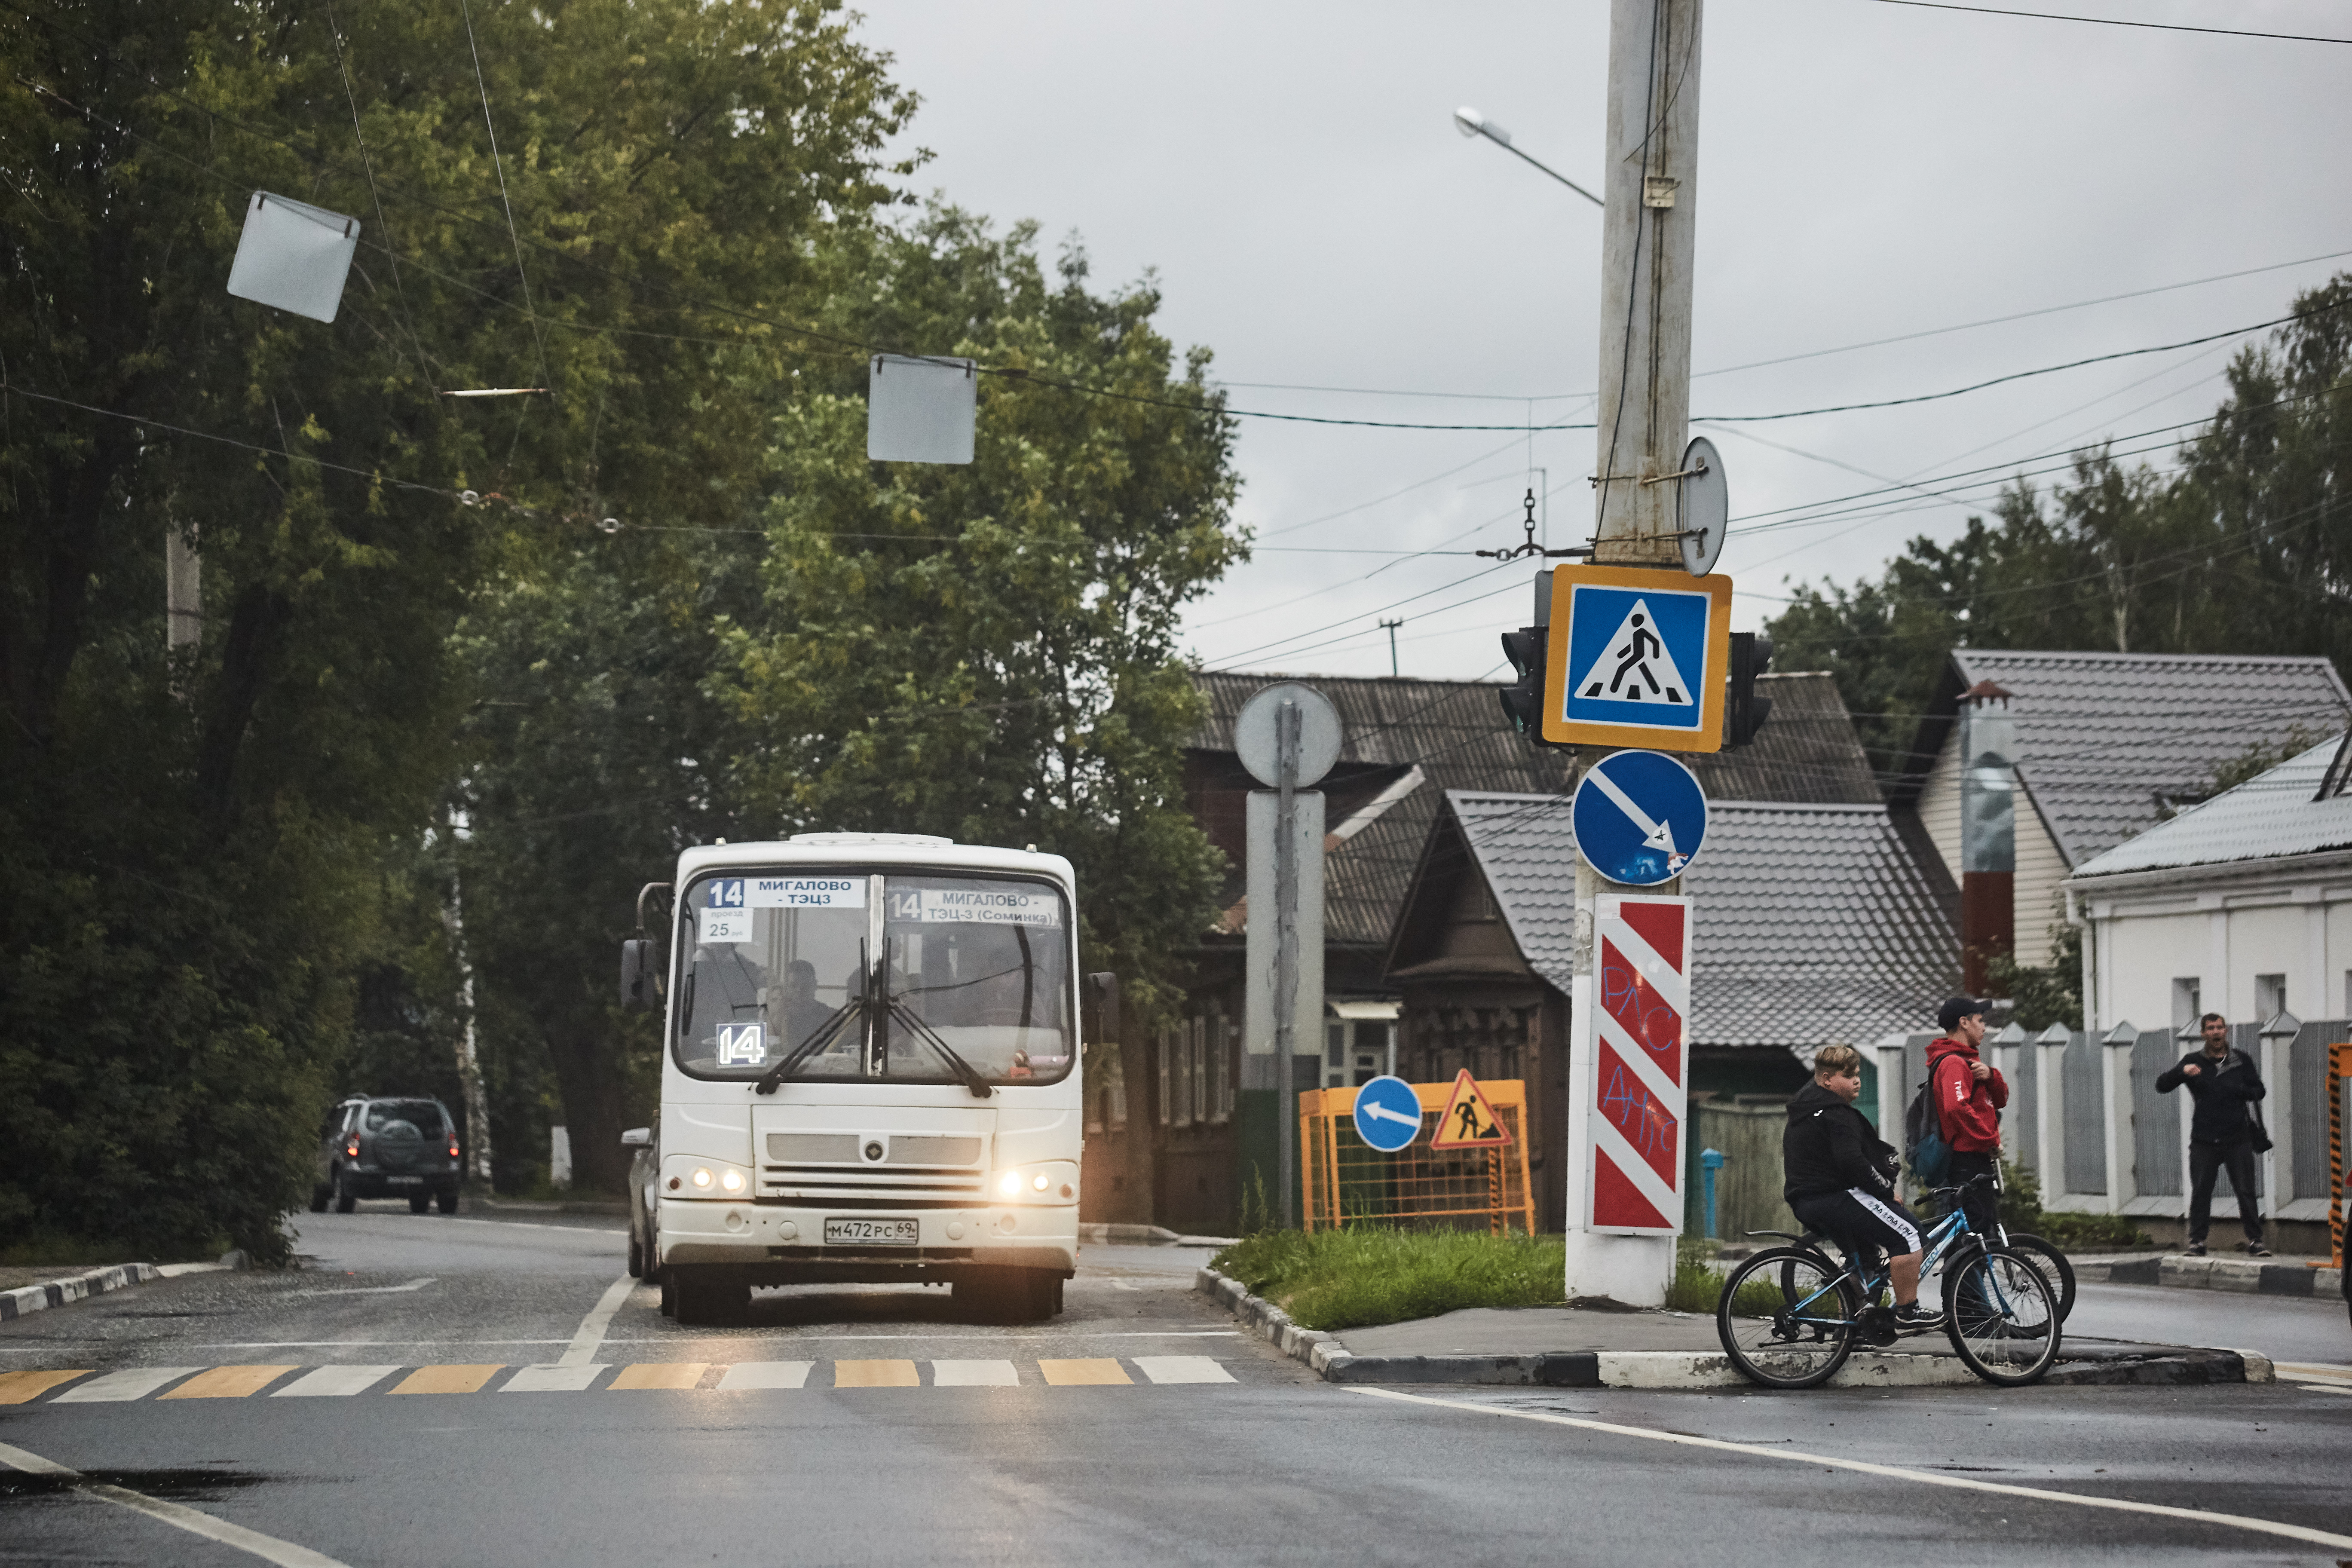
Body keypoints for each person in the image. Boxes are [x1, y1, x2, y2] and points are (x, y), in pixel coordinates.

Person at [1784, 1042, 1942, 1331]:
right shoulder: (1835, 1112)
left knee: (1867, 1256)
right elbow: (1852, 1163)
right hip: (1834, 1196)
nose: (1857, 1080)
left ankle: (1858, 1323)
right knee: (1908, 1236)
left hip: (1806, 1200)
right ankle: (1908, 1311)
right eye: (1848, 1075)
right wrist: (1884, 1191)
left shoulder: (1806, 1109)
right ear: (1827, 1079)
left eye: (1857, 1074)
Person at [2156, 1013, 2270, 1258]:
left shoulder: (2240, 1060)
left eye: (2220, 1027)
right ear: (2203, 1034)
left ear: (2226, 1031)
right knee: (2201, 1192)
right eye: (2211, 1028)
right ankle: (2197, 1242)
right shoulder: (2193, 1061)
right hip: (2204, 1140)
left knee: (2246, 1191)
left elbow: (2259, 1091)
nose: (2216, 1032)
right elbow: (2162, 1085)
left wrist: (2238, 1089)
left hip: (2237, 1138)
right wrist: (2182, 1073)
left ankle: (2256, 1242)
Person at [1927, 997, 2008, 1239]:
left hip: (1974, 1157)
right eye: (1980, 1021)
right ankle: (1966, 1278)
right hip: (1966, 1160)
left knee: (1974, 1232)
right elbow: (1957, 1108)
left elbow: (2001, 1100)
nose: (1984, 1028)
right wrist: (1990, 1139)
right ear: (1964, 1023)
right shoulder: (1953, 1062)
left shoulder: (1969, 1061)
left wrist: (1991, 1076)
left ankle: (1961, 1277)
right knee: (1975, 1236)